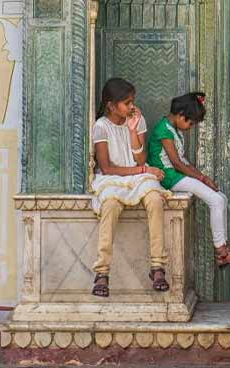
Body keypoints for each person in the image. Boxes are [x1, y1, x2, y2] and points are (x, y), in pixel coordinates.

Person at [147, 92, 230, 267]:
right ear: (180, 115)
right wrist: (202, 178)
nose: (190, 126)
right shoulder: (163, 130)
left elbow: (183, 161)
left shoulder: (174, 130)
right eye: (190, 122)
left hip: (177, 174)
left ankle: (224, 247)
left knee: (221, 198)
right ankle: (221, 253)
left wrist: (204, 178)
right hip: (169, 177)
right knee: (216, 200)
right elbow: (177, 164)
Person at [90, 77, 170, 297]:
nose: (132, 106)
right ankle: (102, 272)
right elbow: (106, 168)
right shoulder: (101, 127)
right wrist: (144, 171)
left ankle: (157, 267)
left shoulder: (136, 120)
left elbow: (140, 159)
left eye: (132, 101)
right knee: (110, 205)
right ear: (111, 105)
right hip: (112, 179)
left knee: (155, 199)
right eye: (126, 102)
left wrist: (133, 131)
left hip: (137, 176)